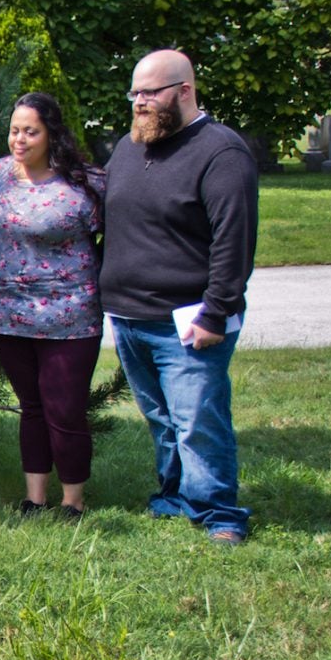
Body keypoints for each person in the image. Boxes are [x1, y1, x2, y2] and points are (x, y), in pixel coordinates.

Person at [100, 49, 257, 546]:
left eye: (151, 92)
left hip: (188, 320)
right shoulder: (129, 147)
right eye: (135, 93)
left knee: (197, 421)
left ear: (184, 91)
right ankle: (175, 495)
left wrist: (216, 312)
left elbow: (234, 242)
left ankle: (219, 514)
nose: (140, 102)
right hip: (129, 316)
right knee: (163, 420)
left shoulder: (220, 153)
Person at [0, 92, 107, 518]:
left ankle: (73, 501)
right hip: (6, 313)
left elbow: (116, 236)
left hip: (68, 314)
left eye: (31, 131)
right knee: (31, 407)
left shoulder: (84, 182)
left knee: (64, 410)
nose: (20, 139)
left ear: (52, 134)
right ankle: (34, 498)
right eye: (15, 130)